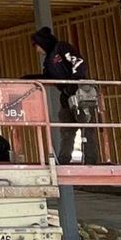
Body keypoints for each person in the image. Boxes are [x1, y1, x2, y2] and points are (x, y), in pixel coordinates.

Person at [31, 26, 94, 164]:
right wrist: (30, 78)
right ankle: (64, 160)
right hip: (66, 95)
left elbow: (78, 62)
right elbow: (48, 77)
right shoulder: (48, 60)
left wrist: (76, 81)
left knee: (87, 128)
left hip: (81, 92)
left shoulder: (62, 47)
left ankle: (91, 160)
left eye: (37, 46)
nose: (37, 50)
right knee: (67, 129)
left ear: (43, 43)